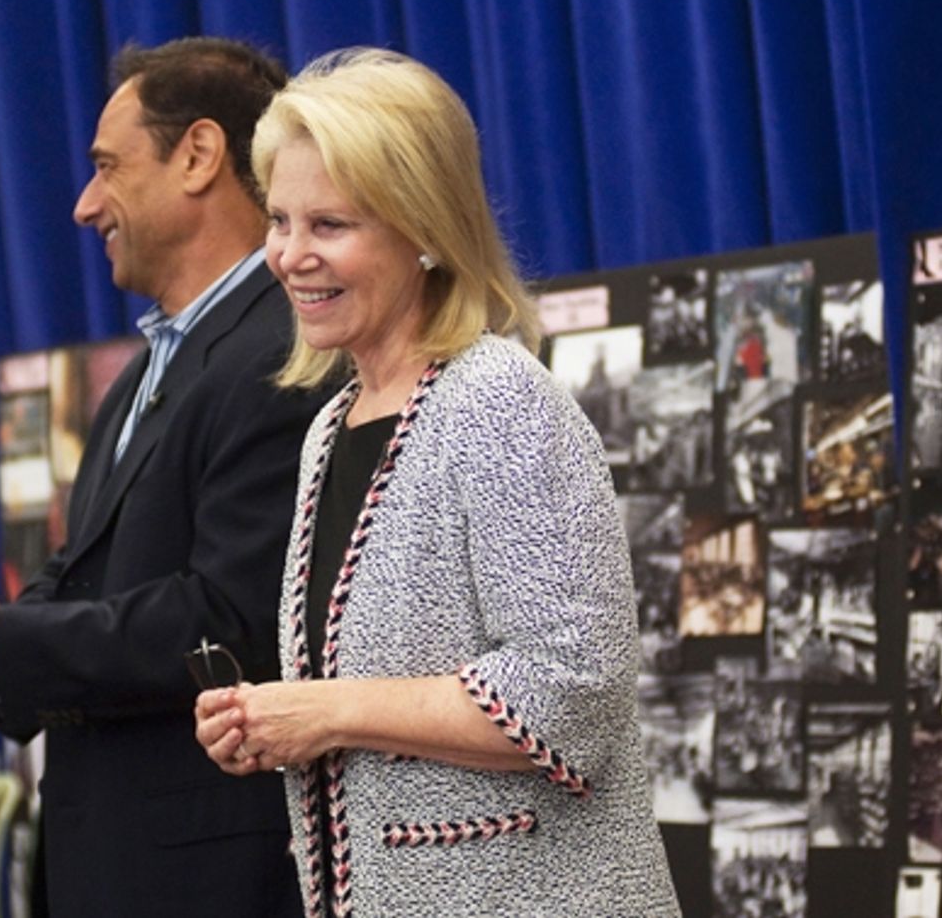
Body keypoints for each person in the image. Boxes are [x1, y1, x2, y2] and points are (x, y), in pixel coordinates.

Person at [0, 37, 331, 916]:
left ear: (198, 156)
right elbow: (84, 576)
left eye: (106, 167)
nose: (84, 205)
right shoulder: (139, 376)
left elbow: (231, 618)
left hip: (213, 881)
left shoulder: (282, 350)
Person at [193, 48, 680, 915]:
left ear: (423, 230)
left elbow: (572, 692)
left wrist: (326, 711)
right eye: (279, 220)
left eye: (329, 225)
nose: (290, 256)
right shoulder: (329, 430)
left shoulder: (497, 399)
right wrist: (270, 719)